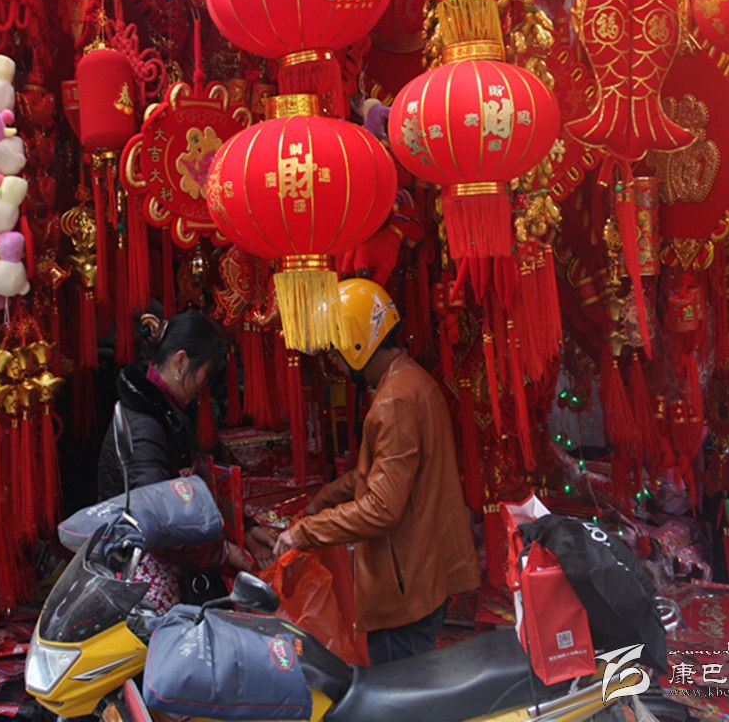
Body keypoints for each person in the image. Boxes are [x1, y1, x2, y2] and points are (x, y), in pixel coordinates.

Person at [273, 279, 480, 664]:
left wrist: (303, 532)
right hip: (423, 574)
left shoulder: (394, 402)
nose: (335, 363)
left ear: (357, 344)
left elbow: (382, 509)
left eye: (336, 351)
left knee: (399, 692)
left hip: (406, 590)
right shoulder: (411, 380)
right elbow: (375, 473)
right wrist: (323, 500)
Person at [97, 309, 275, 609]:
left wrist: (244, 528)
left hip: (171, 560)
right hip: (142, 576)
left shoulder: (170, 410)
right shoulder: (145, 424)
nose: (204, 386)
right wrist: (221, 552)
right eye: (205, 373)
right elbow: (156, 521)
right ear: (180, 361)